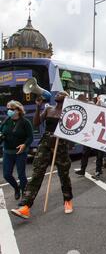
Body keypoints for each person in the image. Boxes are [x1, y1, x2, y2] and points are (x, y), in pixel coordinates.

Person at [11, 91, 74, 219]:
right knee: (36, 174)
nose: (58, 94)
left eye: (62, 93)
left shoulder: (69, 113)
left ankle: (67, 201)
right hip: (45, 144)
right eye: (57, 93)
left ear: (66, 98)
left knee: (64, 175)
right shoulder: (48, 109)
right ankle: (25, 207)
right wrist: (38, 107)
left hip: (60, 145)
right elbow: (36, 123)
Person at [0, 101, 33, 200]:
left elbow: (30, 137)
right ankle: (16, 188)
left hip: (20, 153)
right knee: (6, 175)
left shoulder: (25, 122)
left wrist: (24, 145)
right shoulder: (6, 121)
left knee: (21, 175)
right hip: (7, 152)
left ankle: (25, 196)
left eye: (11, 109)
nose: (9, 111)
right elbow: (2, 133)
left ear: (18, 110)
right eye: (8, 109)